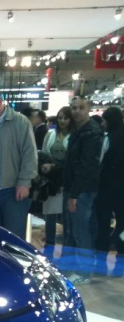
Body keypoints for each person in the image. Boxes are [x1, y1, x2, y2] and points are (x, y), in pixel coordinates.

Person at [0, 86, 38, 238]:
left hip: (12, 190)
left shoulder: (18, 121)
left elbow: (29, 153)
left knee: (13, 239)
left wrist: (24, 181)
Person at [63, 97, 104, 283]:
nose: (76, 111)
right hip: (77, 188)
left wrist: (75, 194)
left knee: (81, 231)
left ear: (88, 109)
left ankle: (84, 272)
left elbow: (88, 167)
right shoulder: (78, 131)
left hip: (83, 190)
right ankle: (81, 268)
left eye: (80, 108)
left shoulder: (90, 133)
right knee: (77, 230)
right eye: (74, 108)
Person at [40, 106, 73, 248]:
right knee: (50, 213)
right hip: (51, 178)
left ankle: (67, 243)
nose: (62, 121)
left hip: (67, 177)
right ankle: (49, 243)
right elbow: (44, 152)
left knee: (67, 214)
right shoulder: (50, 134)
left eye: (65, 118)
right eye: (60, 118)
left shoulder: (74, 135)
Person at [96, 106, 124, 254]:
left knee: (103, 222)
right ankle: (120, 245)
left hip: (106, 186)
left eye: (104, 120)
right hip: (122, 188)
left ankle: (103, 248)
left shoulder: (108, 139)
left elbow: (100, 162)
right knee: (122, 220)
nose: (102, 124)